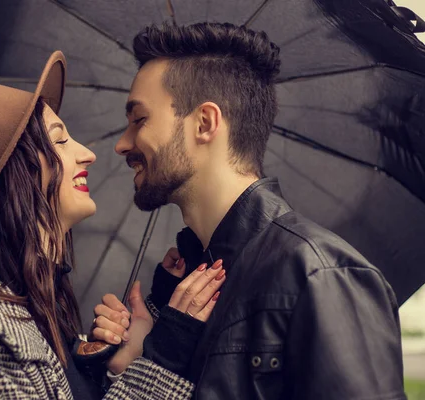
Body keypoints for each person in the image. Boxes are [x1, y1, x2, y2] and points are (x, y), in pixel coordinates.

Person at [101, 22, 406, 399]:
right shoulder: (183, 287)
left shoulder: (318, 273)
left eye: (138, 120)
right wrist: (146, 361)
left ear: (205, 123)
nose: (122, 144)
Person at [0, 51, 226, 400]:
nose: (87, 153)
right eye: (59, 140)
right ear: (16, 173)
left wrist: (108, 365)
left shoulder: (43, 307)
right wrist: (167, 352)